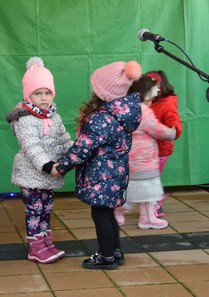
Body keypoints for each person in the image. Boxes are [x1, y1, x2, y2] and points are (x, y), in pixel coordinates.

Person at [51, 61, 142, 270]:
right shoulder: (122, 114)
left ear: (104, 91)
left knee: (100, 215)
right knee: (108, 213)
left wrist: (61, 167)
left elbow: (82, 149)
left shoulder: (102, 119)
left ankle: (106, 256)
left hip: (102, 176)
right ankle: (115, 251)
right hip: (116, 175)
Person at [6, 57, 73, 264]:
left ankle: (46, 242)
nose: (43, 98)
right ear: (28, 95)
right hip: (31, 174)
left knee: (46, 208)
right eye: (38, 93)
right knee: (34, 210)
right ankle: (35, 248)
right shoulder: (25, 119)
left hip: (48, 176)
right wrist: (48, 166)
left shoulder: (54, 116)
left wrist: (75, 153)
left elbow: (63, 138)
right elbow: (31, 146)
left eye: (47, 93)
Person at [115, 75, 175, 230]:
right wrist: (171, 132)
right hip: (144, 161)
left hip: (129, 159)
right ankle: (142, 217)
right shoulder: (144, 111)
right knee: (149, 191)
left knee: (133, 190)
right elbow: (156, 129)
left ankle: (134, 215)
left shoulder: (125, 108)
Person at [145, 70, 182, 218]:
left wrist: (174, 129)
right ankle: (156, 201)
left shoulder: (167, 104)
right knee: (152, 178)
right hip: (149, 150)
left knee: (152, 179)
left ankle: (156, 207)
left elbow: (173, 120)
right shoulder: (151, 102)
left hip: (160, 150)